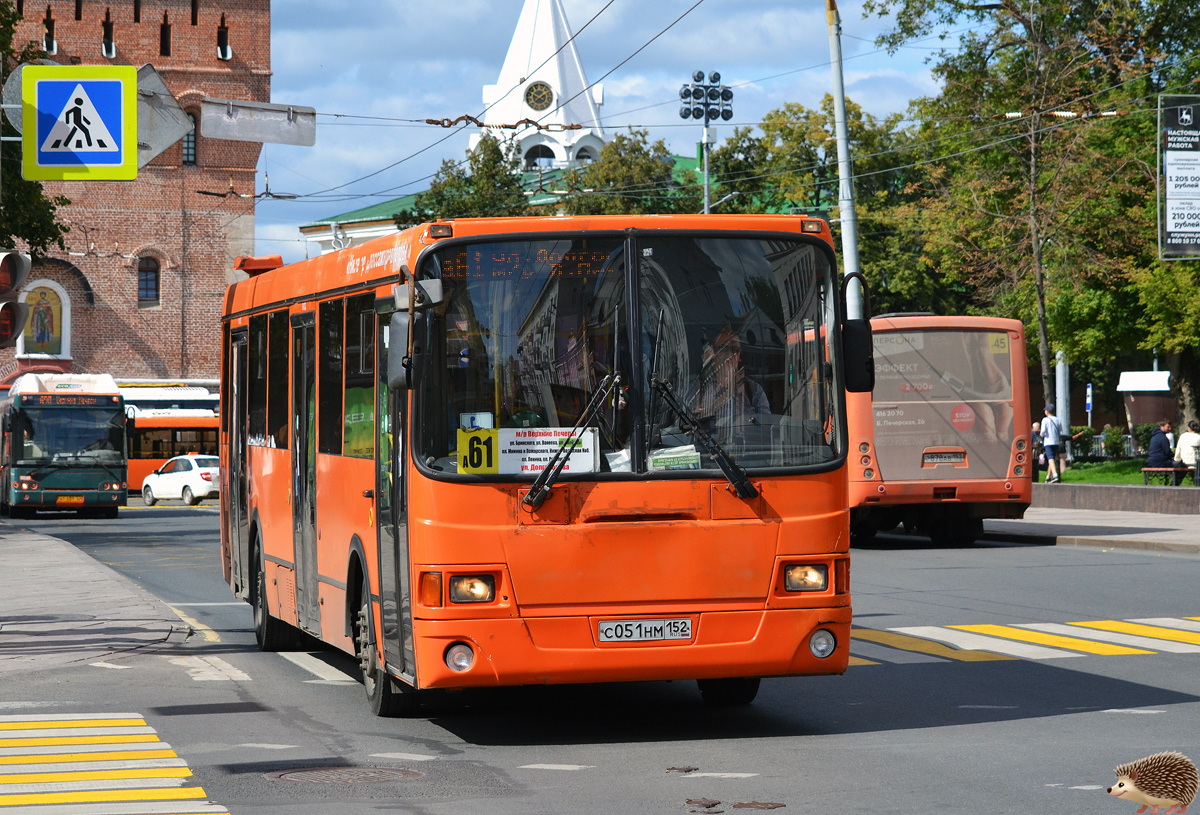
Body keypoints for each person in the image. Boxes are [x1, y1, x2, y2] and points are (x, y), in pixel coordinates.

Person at [695, 326, 771, 441]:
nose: (730, 355)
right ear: (714, 353)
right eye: (724, 348)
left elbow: (766, 430)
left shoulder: (753, 390)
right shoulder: (698, 390)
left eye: (735, 350)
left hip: (747, 456)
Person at [1040, 404, 1065, 483]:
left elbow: (1043, 431)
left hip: (1048, 442)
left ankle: (1055, 475)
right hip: (1056, 442)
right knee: (1052, 459)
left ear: (1047, 411)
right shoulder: (1058, 420)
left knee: (1050, 459)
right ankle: (1048, 477)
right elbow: (1061, 432)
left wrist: (1041, 434)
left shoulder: (1045, 420)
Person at [1173, 419, 1200, 485]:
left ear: (1189, 428)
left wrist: (1176, 459)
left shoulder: (1183, 436)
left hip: (1184, 462)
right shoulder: (1198, 437)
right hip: (1196, 463)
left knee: (1179, 476)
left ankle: (1175, 485)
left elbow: (1178, 450)